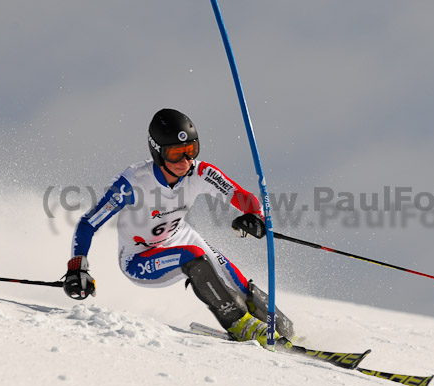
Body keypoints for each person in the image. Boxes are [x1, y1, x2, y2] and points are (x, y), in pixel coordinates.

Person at [63, 108, 294, 346]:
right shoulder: (133, 183)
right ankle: (238, 324)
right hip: (139, 258)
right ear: (158, 153)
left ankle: (284, 329)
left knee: (237, 282)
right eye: (175, 154)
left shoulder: (201, 172)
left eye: (191, 151)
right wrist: (77, 268)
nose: (186, 161)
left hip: (180, 237)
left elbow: (244, 199)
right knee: (192, 257)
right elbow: (88, 223)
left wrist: (254, 216)